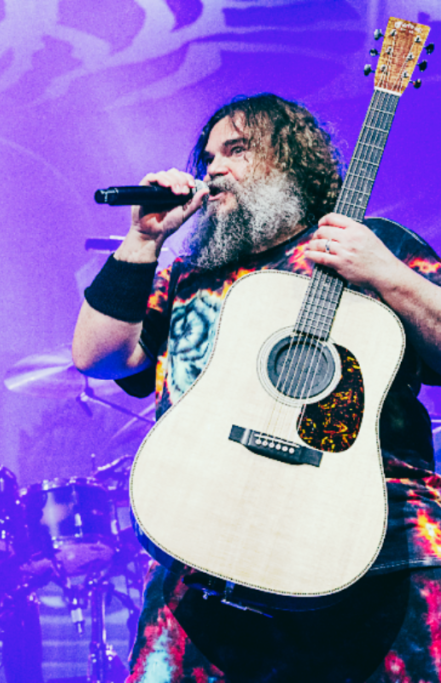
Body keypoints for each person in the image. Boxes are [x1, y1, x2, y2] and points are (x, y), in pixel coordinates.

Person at [72, 93, 441, 681]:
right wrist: (144, 239)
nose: (213, 167)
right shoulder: (187, 275)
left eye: (237, 150)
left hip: (376, 544)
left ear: (291, 161)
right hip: (204, 545)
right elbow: (97, 357)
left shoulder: (377, 246)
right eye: (209, 154)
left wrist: (387, 273)